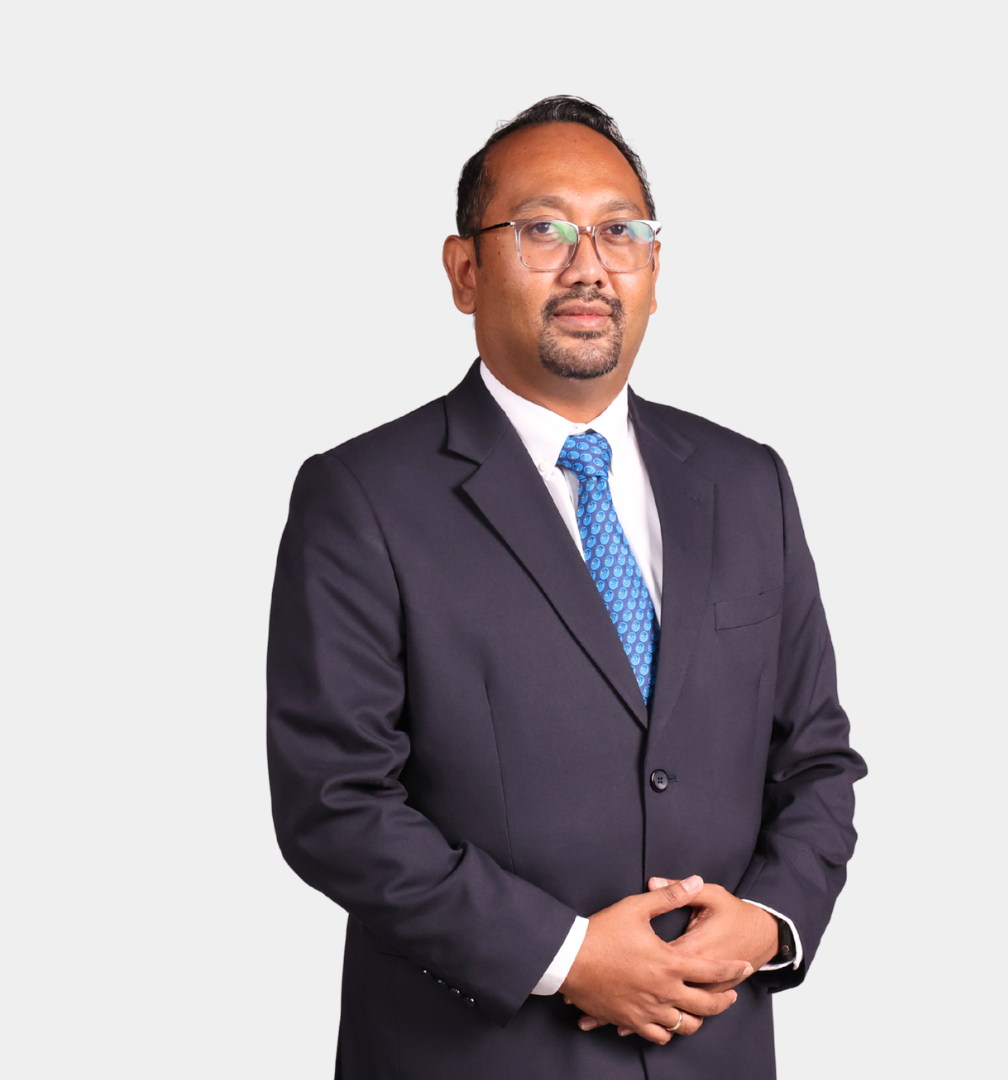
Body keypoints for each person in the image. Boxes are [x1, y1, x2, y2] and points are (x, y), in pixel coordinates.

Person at [267, 95, 866, 1080]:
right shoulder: (362, 496)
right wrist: (567, 957)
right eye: (543, 229)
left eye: (621, 231)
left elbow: (816, 760)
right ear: (465, 271)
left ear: (655, 270)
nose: (590, 265)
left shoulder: (747, 480)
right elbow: (335, 802)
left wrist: (767, 923)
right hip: (476, 1056)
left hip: (715, 1050)